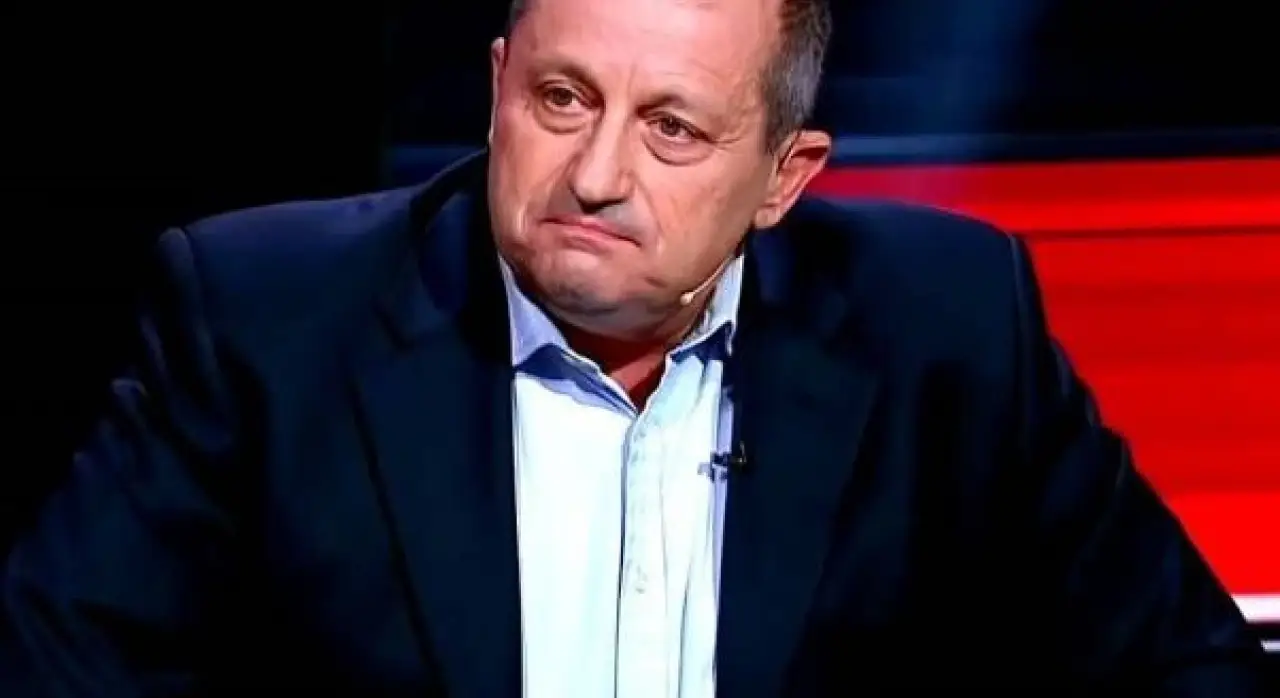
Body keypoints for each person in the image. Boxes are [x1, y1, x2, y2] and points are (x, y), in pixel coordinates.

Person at [1, 0, 1270, 695]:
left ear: (783, 176)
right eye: (560, 99)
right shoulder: (263, 320)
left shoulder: (945, 328)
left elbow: (1183, 670)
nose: (596, 173)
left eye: (671, 129)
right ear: (496, 85)